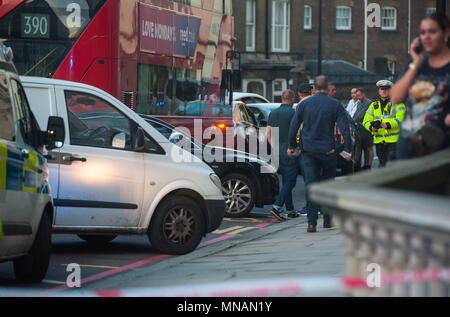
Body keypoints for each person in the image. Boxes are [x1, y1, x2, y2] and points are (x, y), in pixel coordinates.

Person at [288, 76, 352, 233]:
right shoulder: (335, 104)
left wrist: (292, 146)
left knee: (311, 185)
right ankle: (328, 220)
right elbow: (345, 128)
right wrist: (347, 149)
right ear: (327, 87)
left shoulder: (304, 104)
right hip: (328, 151)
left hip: (308, 151)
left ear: (313, 89)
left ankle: (311, 223)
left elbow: (293, 126)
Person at [391, 12, 450, 158]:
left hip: (439, 150)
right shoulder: (416, 64)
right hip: (407, 145)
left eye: (432, 31)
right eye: (423, 33)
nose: (426, 37)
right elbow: (395, 98)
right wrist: (415, 63)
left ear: (446, 32)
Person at [267, 90, 299, 221]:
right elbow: (298, 132)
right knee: (291, 181)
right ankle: (277, 207)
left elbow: (268, 133)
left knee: (286, 180)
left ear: (282, 98)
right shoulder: (293, 113)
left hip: (276, 150)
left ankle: (290, 210)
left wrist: (274, 146)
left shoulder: (273, 113)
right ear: (291, 99)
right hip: (289, 149)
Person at [363, 80, 406, 167]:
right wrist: (371, 127)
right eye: (382, 89)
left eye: (386, 89)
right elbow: (365, 121)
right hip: (379, 142)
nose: (384, 91)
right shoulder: (373, 105)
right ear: (379, 91)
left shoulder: (398, 103)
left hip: (393, 142)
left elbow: (400, 119)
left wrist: (388, 125)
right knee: (382, 165)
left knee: (392, 166)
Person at [353, 88, 374, 170]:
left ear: (363, 94)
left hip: (367, 129)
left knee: (368, 148)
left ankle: (368, 165)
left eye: (359, 95)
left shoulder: (369, 103)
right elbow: (356, 114)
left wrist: (353, 120)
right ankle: (364, 165)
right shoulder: (359, 103)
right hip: (360, 129)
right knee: (363, 148)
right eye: (357, 96)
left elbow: (360, 115)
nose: (357, 97)